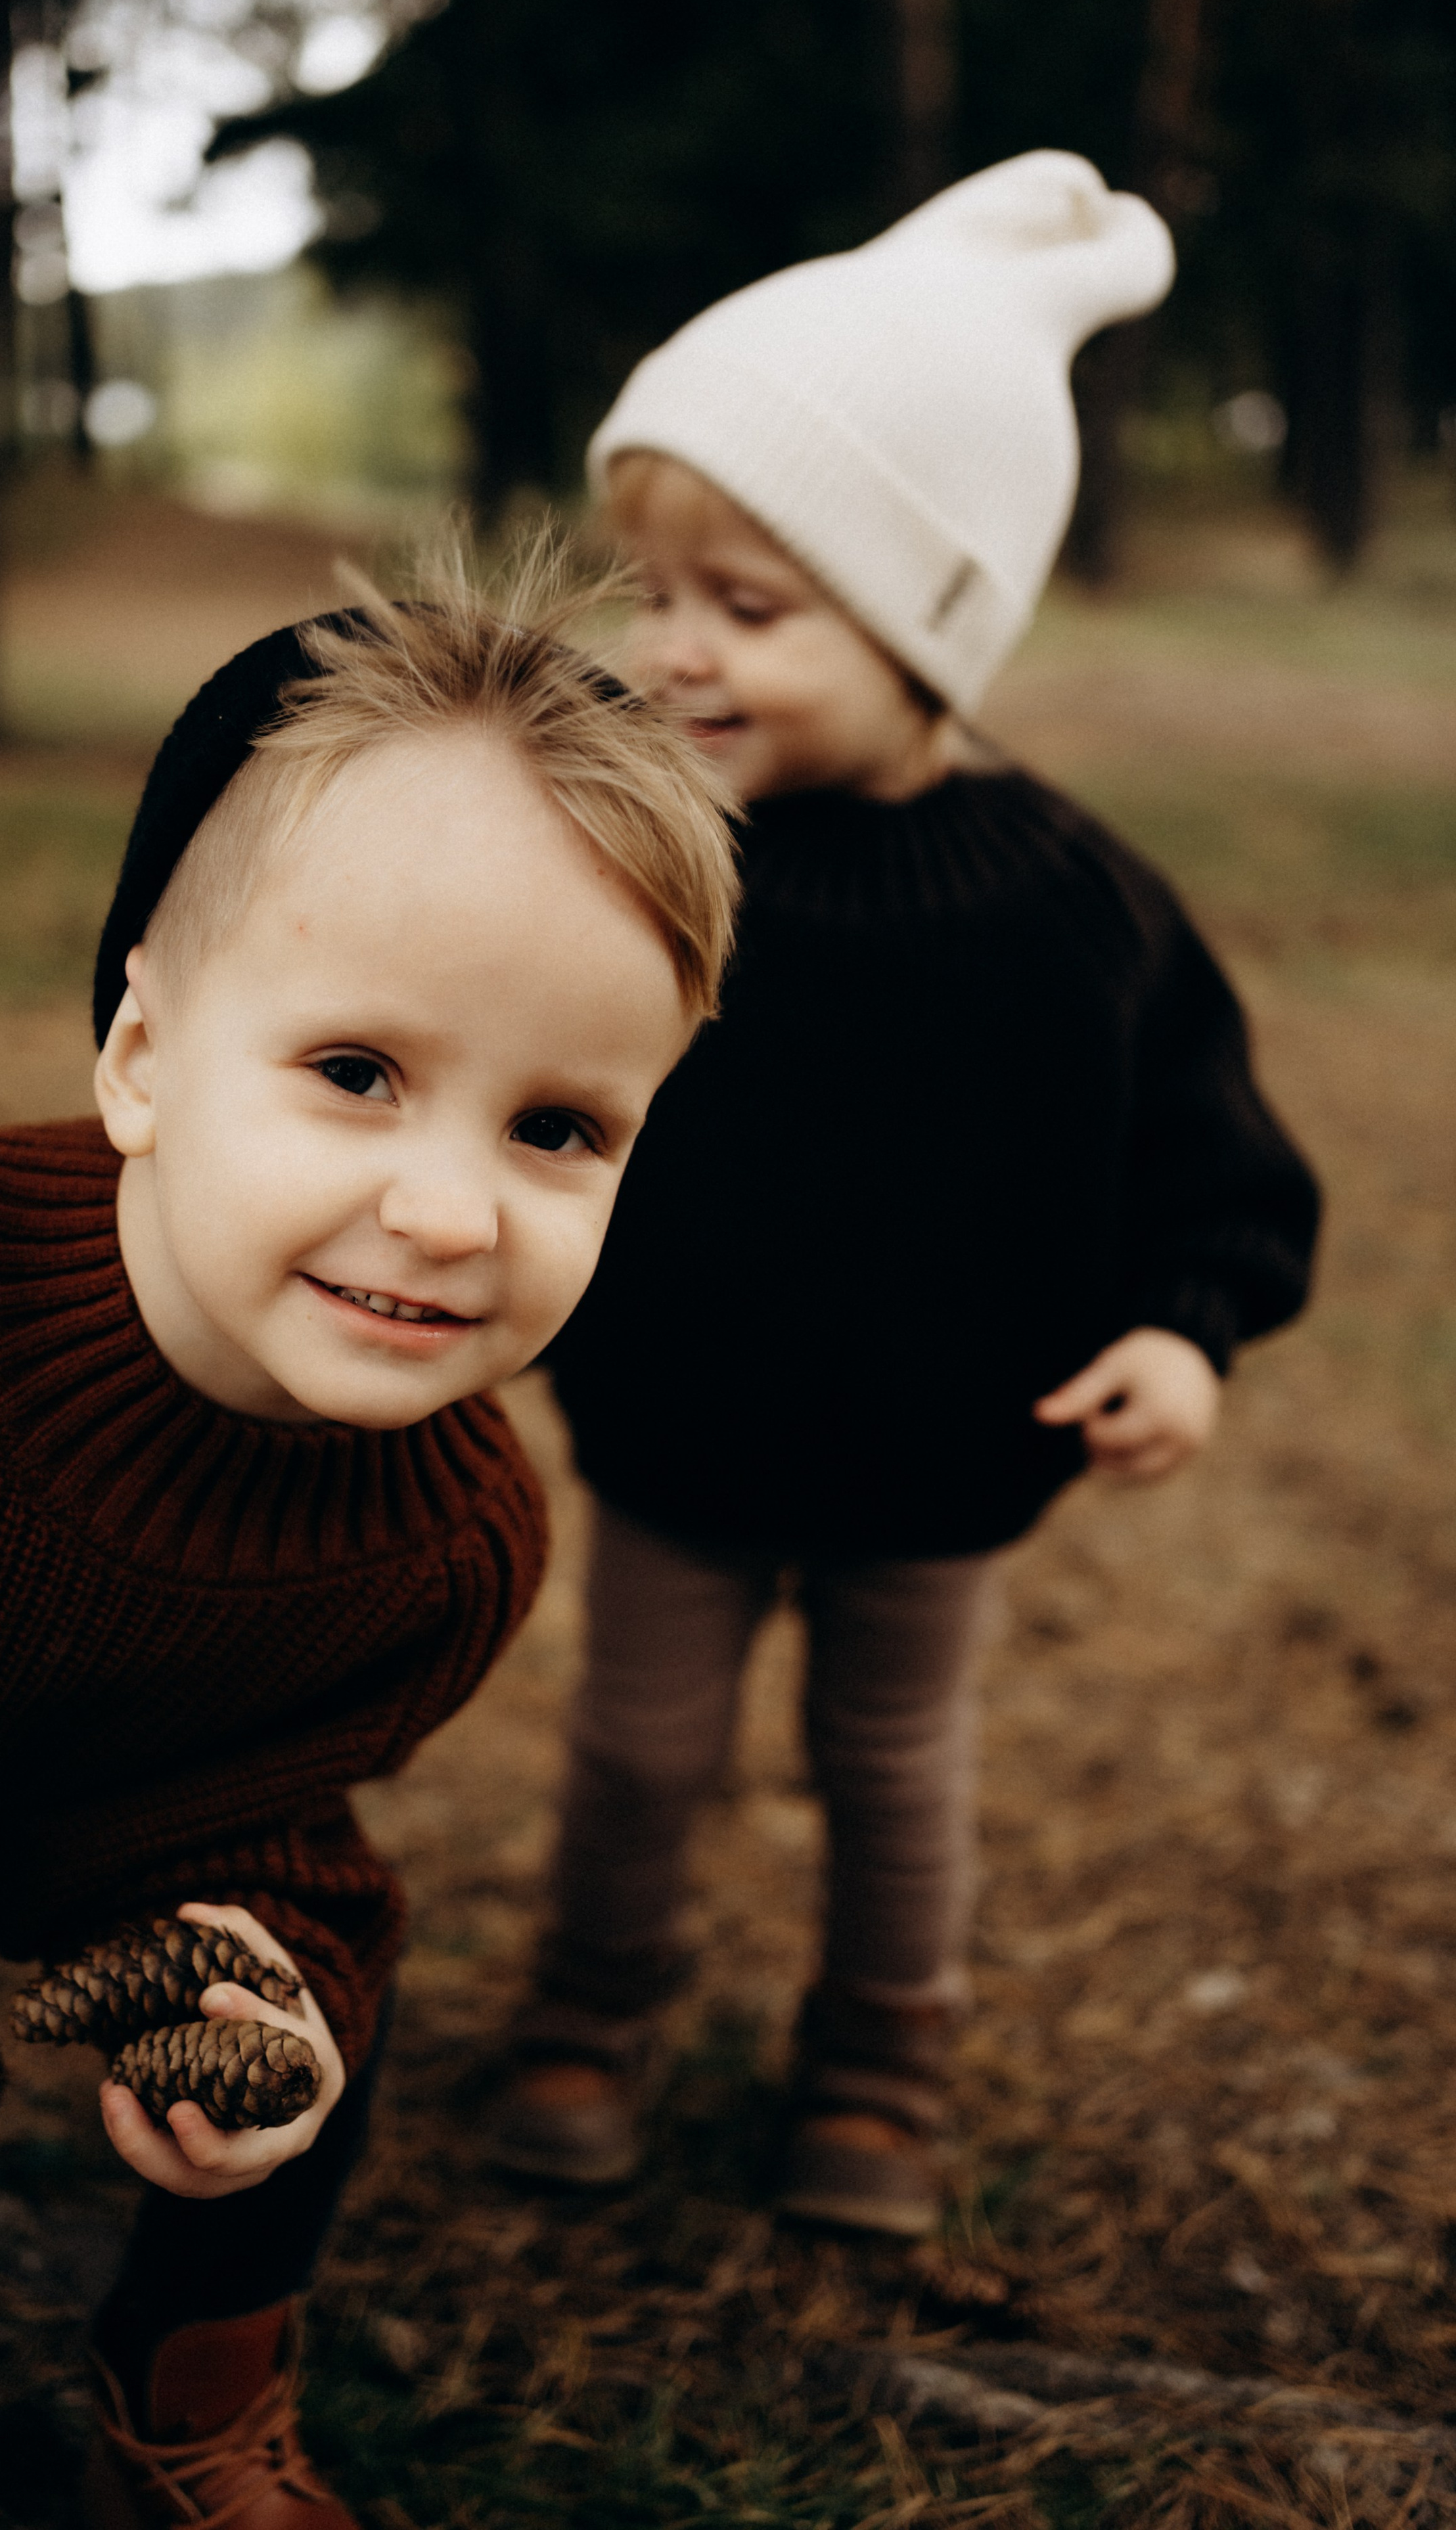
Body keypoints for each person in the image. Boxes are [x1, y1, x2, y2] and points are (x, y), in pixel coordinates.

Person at [0, 566, 738, 2529]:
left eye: (560, 1128)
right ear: (141, 1063)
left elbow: (240, 1810)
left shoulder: (452, 1544)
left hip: (76, 1802)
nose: (451, 1212)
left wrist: (244, 1990)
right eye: (356, 1074)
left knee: (324, 1983)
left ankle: (190, 2389)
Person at [486, 153, 1322, 2238]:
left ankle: (878, 2059)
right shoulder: (650, 867)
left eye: (749, 611)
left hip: (946, 1464)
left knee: (894, 1770)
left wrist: (1180, 1331)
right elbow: (533, 1095)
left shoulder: (1074, 914)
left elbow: (1211, 1165)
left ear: (935, 617)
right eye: (653, 591)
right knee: (637, 1752)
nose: (674, 655)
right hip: (678, 1444)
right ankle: (592, 2010)